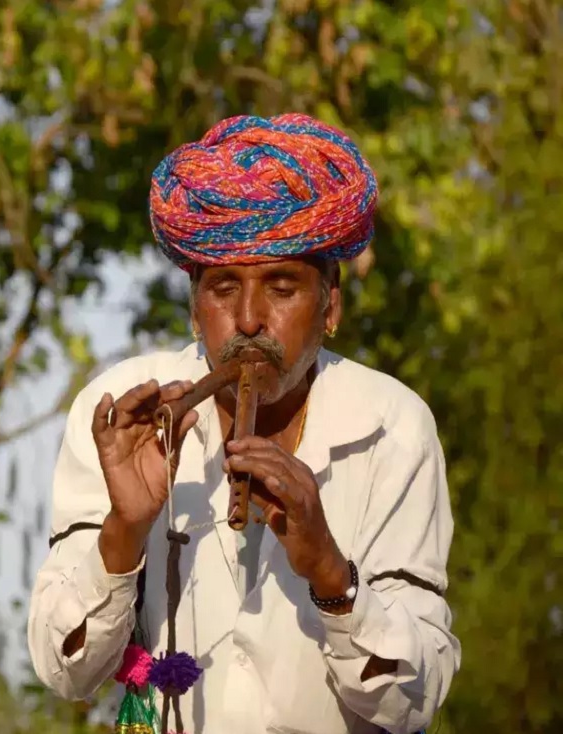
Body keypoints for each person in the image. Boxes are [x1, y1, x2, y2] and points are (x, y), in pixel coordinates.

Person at [27, 114, 459, 734]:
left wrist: (332, 576)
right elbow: (63, 671)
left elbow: (416, 700)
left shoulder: (393, 427)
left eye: (282, 288)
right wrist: (125, 530)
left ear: (330, 305)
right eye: (224, 289)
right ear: (194, 305)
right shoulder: (120, 412)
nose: (250, 320)